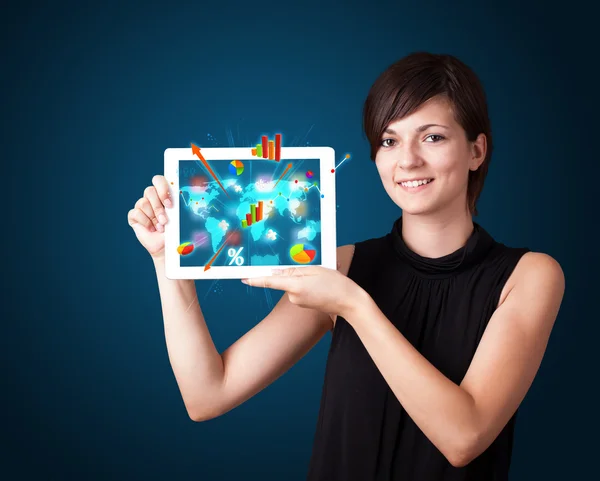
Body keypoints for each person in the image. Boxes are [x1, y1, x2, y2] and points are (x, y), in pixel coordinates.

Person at [127, 51, 565, 480]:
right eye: (389, 141)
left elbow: (464, 438)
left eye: (432, 137)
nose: (407, 160)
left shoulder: (529, 276)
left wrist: (355, 306)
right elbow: (207, 395)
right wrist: (169, 263)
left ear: (476, 151)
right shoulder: (341, 267)